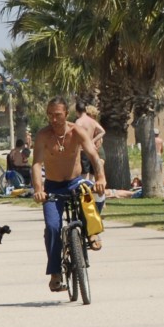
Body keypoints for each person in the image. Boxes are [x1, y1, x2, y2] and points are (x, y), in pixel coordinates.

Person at [33, 99, 108, 293]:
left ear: (66, 114)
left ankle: (92, 232)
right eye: (50, 114)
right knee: (52, 227)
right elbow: (36, 164)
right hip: (53, 187)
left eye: (57, 114)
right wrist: (38, 189)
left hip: (75, 182)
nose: (53, 118)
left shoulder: (77, 131)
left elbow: (93, 155)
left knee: (94, 198)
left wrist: (100, 177)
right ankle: (55, 273)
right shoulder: (43, 135)